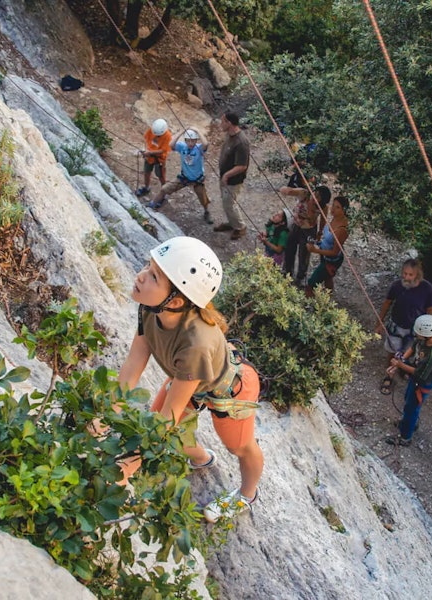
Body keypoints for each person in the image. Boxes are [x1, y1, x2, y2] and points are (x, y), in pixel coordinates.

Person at [118, 236, 264, 522]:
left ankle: (248, 494)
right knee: (164, 430)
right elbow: (131, 368)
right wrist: (101, 416)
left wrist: (124, 468)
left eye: (154, 276)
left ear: (176, 300)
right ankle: (201, 458)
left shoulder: (196, 344)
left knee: (239, 446)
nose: (141, 276)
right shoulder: (150, 308)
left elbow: (168, 418)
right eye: (148, 267)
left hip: (230, 391)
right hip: (190, 378)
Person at [375, 258, 432, 395]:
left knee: (408, 352)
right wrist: (379, 322)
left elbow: (430, 310)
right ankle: (389, 376)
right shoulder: (397, 286)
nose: (406, 277)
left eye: (410, 275)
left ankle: (403, 368)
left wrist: (428, 332)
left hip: (415, 329)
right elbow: (387, 303)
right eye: (404, 273)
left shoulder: (428, 289)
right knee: (392, 351)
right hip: (396, 325)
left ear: (417, 275)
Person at [384, 314, 432, 446]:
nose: (416, 333)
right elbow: (413, 347)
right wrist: (401, 359)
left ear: (426, 334)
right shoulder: (428, 338)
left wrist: (399, 365)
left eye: (418, 332)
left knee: (411, 408)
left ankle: (405, 437)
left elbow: (418, 373)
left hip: (422, 383)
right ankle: (409, 423)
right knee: (408, 400)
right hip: (416, 380)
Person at [147, 128, 213, 224]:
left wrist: (198, 131)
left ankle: (207, 212)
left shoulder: (199, 149)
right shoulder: (182, 147)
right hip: (184, 177)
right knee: (164, 189)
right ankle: (152, 204)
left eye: (193, 141)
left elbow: (206, 144)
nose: (190, 143)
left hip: (197, 179)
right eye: (188, 141)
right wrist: (182, 131)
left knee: (203, 197)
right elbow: (171, 144)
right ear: (185, 140)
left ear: (196, 141)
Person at [282, 184, 331, 287]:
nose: (314, 198)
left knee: (304, 254)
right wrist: (287, 190)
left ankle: (300, 277)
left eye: (318, 198)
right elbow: (291, 191)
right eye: (315, 194)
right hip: (295, 226)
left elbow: (322, 220)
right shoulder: (304, 194)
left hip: (310, 230)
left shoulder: (323, 207)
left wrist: (319, 233)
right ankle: (287, 272)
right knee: (289, 248)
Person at [212, 112, 250, 240]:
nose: (220, 124)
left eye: (223, 122)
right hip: (225, 177)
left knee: (229, 203)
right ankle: (232, 223)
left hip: (233, 180)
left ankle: (240, 227)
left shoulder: (241, 142)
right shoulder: (229, 135)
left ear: (229, 123)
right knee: (225, 202)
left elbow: (242, 166)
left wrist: (227, 175)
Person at [304, 194, 350, 298]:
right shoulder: (335, 218)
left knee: (311, 284)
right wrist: (319, 239)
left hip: (332, 260)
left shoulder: (342, 229)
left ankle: (310, 304)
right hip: (324, 252)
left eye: (337, 207)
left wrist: (315, 250)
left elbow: (334, 252)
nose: (333, 209)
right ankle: (328, 298)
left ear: (344, 210)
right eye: (333, 205)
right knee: (327, 277)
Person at [135, 118, 172, 197]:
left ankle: (164, 191)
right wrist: (146, 150)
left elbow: (163, 150)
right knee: (146, 172)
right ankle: (146, 187)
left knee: (161, 175)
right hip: (149, 156)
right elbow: (147, 139)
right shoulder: (152, 130)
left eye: (159, 135)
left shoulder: (168, 136)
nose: (157, 136)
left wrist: (150, 152)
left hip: (160, 159)